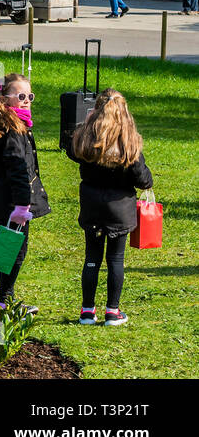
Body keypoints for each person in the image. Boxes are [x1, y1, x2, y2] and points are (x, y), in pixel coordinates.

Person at [67, 89, 153, 327]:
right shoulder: (128, 143)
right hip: (120, 208)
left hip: (92, 204)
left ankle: (87, 311)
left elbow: (71, 151)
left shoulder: (86, 139)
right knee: (115, 259)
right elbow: (143, 180)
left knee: (92, 257)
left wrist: (86, 125)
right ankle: (112, 312)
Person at [0, 73, 50, 313]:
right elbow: (17, 167)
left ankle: (5, 299)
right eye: (21, 96)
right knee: (15, 248)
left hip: (8, 196)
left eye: (30, 96)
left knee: (10, 245)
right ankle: (5, 300)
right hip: (13, 200)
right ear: (5, 98)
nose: (26, 101)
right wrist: (22, 206)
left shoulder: (7, 123)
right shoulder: (13, 129)